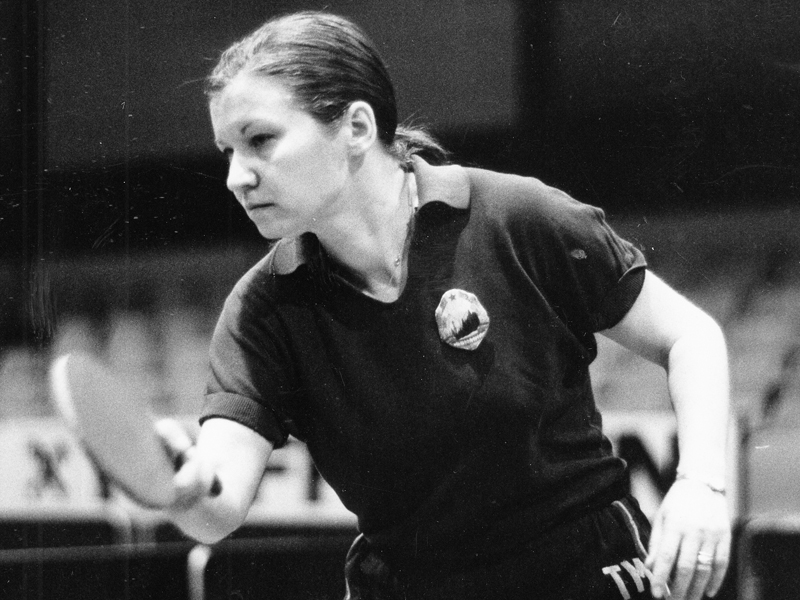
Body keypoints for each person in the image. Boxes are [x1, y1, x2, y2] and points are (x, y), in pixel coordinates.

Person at [158, 10, 731, 600]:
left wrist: (701, 483)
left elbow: (689, 336)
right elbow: (218, 507)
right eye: (228, 151)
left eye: (260, 140)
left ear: (357, 127)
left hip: (582, 571)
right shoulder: (261, 311)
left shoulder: (516, 217)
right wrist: (182, 486)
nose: (236, 177)